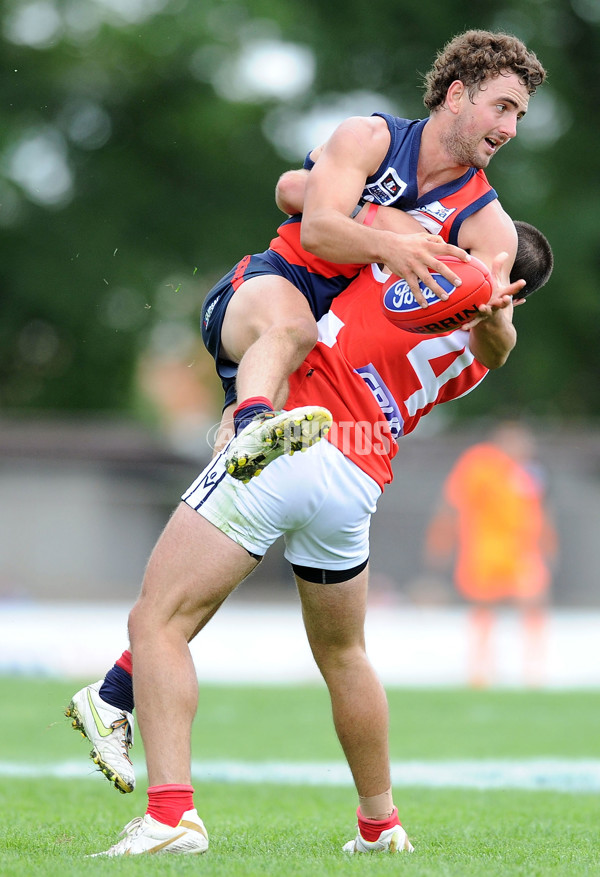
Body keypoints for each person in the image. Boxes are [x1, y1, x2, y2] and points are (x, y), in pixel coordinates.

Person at [63, 217, 553, 856]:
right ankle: (381, 826)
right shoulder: (477, 345)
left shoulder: (421, 269)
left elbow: (313, 213)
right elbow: (495, 342)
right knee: (344, 655)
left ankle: (170, 816)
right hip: (357, 480)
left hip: (297, 439)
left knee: (157, 621)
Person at [204, 29, 546, 480]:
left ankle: (238, 442)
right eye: (502, 107)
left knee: (238, 483)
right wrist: (388, 233)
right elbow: (303, 211)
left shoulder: (489, 224)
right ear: (457, 94)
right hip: (273, 283)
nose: (511, 129)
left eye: (519, 114)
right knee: (293, 329)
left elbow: (496, 351)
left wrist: (493, 317)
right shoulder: (372, 138)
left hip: (321, 346)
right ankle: (251, 430)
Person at [424, 421, 558, 687]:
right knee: (484, 607)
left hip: (521, 551)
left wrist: (548, 543)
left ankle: (534, 671)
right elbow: (452, 503)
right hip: (484, 550)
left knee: (533, 602)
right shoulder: (478, 464)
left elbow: (540, 509)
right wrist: (440, 541)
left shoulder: (528, 471)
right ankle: (481, 671)